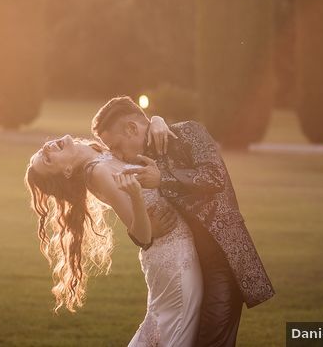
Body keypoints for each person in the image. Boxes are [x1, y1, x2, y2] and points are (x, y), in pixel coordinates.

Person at [92, 96, 275, 347]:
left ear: (132, 129)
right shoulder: (145, 157)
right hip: (190, 266)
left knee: (212, 341)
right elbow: (141, 225)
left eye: (115, 146)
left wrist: (162, 179)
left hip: (222, 259)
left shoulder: (189, 131)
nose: (115, 154)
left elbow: (215, 178)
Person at [25, 117, 203, 346]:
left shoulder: (100, 149)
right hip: (173, 257)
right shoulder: (97, 171)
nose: (47, 147)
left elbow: (135, 132)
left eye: (43, 150)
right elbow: (142, 235)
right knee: (176, 333)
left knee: (169, 331)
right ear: (67, 170)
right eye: (48, 159)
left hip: (178, 246)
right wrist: (137, 196)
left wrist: (157, 121)